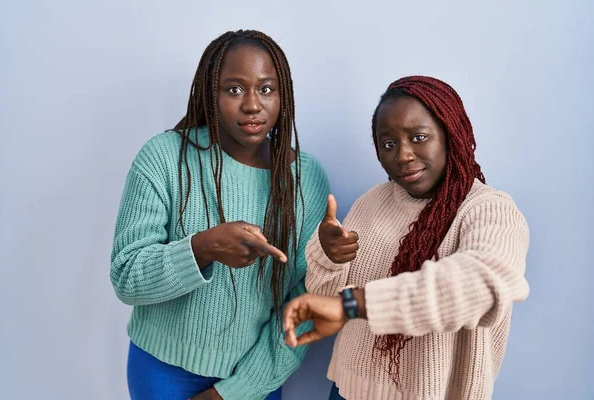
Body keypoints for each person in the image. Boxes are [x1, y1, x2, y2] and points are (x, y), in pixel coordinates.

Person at [110, 29, 329, 400]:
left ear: (283, 95)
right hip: (159, 369)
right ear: (210, 94)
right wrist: (201, 248)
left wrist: (236, 391)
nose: (252, 105)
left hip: (252, 378)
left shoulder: (306, 179)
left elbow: (305, 298)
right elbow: (126, 276)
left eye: (266, 88)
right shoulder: (164, 157)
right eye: (233, 89)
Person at [283, 76, 530, 400]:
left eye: (419, 137)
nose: (403, 155)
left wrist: (354, 303)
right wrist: (329, 256)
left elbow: (478, 285)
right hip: (347, 390)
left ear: (451, 134)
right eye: (388, 144)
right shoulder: (371, 201)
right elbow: (327, 298)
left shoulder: (489, 210)